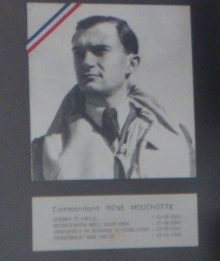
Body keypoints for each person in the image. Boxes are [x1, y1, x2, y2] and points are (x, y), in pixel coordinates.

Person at [31, 15, 194, 180]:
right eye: (79, 53)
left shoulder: (177, 142)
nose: (86, 62)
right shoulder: (43, 151)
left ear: (131, 64)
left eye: (100, 51)